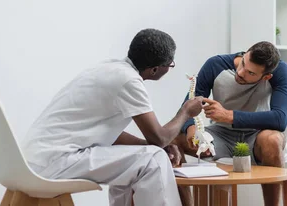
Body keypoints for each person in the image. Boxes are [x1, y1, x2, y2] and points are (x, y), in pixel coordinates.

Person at [19, 28, 204, 206]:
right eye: (170, 64)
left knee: (139, 159)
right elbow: (159, 138)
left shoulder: (108, 68)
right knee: (154, 158)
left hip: (34, 159)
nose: (170, 68)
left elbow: (107, 134)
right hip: (54, 162)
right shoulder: (129, 81)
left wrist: (147, 145)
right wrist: (186, 111)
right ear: (154, 70)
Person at [172, 41, 287, 206]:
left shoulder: (280, 71)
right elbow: (187, 106)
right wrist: (191, 128)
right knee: (174, 139)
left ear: (266, 77)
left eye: (250, 73)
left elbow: (280, 119)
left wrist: (230, 115)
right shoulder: (215, 64)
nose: (241, 72)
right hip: (220, 135)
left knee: (273, 139)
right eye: (243, 63)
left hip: (257, 137)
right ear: (245, 54)